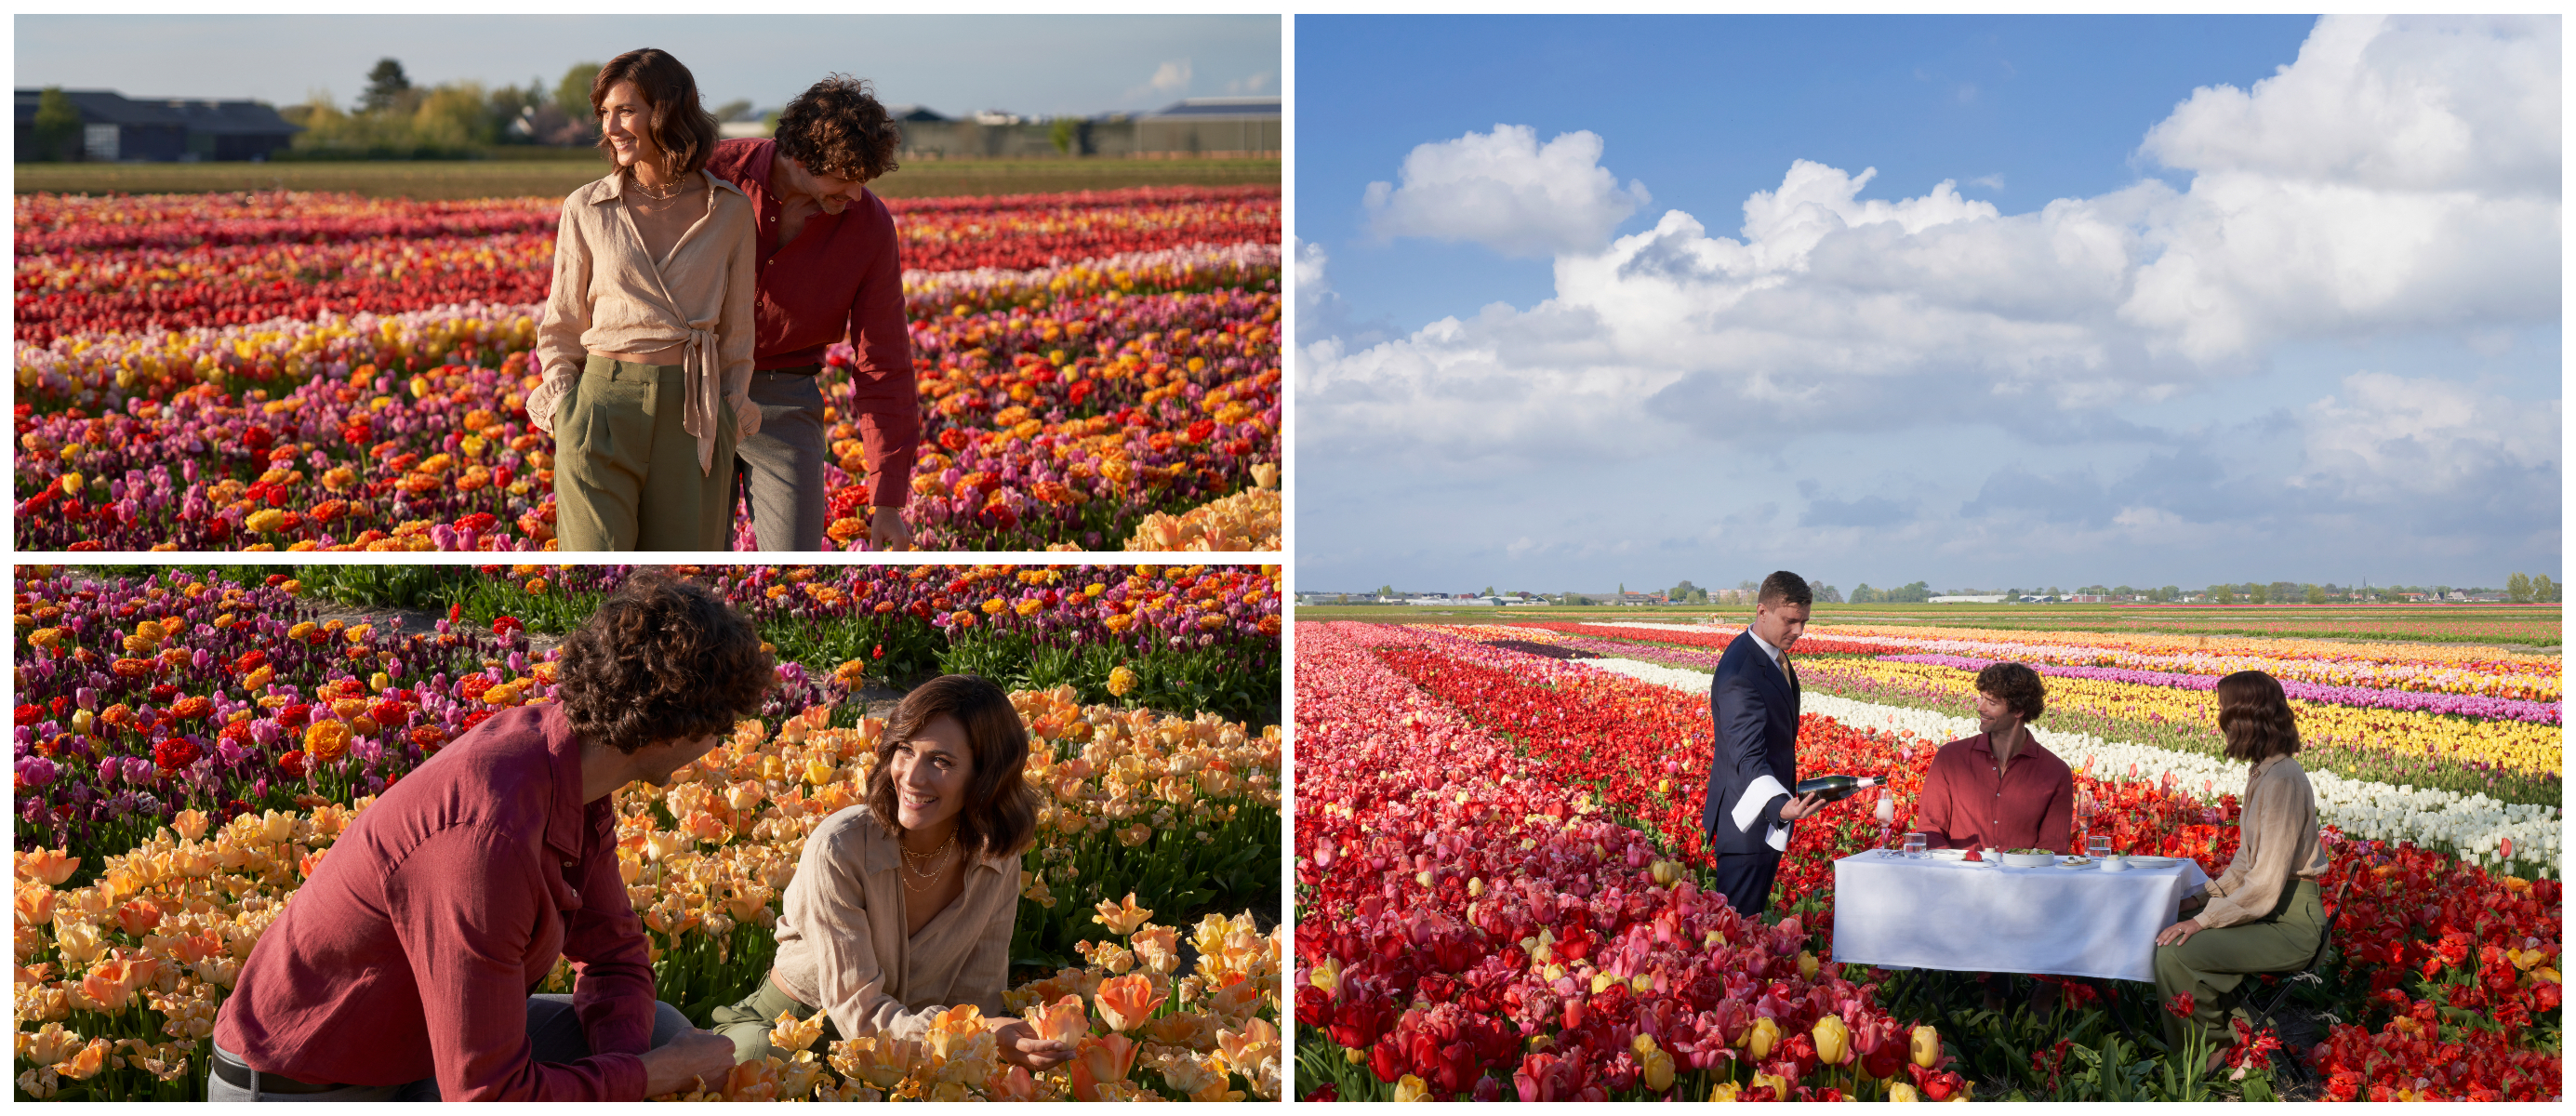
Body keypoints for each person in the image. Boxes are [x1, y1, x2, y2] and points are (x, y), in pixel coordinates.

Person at [208, 571, 772, 1100]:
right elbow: (489, 1095)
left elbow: (614, 957)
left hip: (413, 1054)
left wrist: (630, 1070)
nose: (718, 744)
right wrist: (647, 1076)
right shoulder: (487, 837)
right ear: (671, 726)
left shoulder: (573, 767)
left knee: (659, 1031)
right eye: (718, 726)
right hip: (308, 1086)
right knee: (660, 1057)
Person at [710, 675, 1069, 1071]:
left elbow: (977, 996)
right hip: (791, 1030)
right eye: (905, 750)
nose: (911, 777)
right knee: (759, 1064)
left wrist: (988, 1040)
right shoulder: (841, 847)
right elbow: (859, 1014)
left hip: (913, 1045)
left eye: (941, 761)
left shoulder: (996, 857)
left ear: (987, 776)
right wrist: (971, 1036)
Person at [531, 48, 761, 551]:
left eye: (626, 111)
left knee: (680, 579)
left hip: (692, 412)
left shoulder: (729, 211)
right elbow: (562, 322)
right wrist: (567, 406)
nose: (610, 127)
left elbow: (737, 333)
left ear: (667, 112)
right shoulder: (587, 207)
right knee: (597, 573)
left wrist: (728, 412)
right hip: (600, 406)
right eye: (604, 113)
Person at [700, 74, 919, 551]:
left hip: (785, 397)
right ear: (801, 158)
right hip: (694, 388)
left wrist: (887, 500)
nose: (855, 194)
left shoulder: (868, 225)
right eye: (843, 178)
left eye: (863, 180)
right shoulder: (712, 173)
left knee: (794, 563)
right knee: (690, 562)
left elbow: (884, 359)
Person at [2152, 670, 2332, 1071]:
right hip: (2268, 913)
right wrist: (2201, 899)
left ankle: (2212, 1050)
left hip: (2291, 927)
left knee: (2175, 953)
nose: (2218, 720)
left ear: (2245, 717)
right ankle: (2235, 1037)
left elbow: (2265, 882)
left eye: (2223, 710)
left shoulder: (2283, 780)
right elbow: (2245, 864)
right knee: (2169, 931)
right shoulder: (2265, 772)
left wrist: (2203, 921)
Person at [1700, 570, 1838, 918]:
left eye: (1804, 621)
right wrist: (1779, 805)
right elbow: (1746, 754)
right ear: (1762, 611)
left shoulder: (1768, 651)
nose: (1800, 631)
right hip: (1748, 824)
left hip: (1765, 822)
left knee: (1750, 929)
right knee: (1735, 932)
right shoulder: (1740, 674)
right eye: (1791, 621)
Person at [1913, 661, 2074, 855]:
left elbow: (2052, 849)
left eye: (1992, 702)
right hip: (1957, 872)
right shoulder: (1950, 758)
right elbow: (1930, 830)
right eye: (1981, 698)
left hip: (2023, 874)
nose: (1980, 707)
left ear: (2019, 710)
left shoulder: (2055, 773)